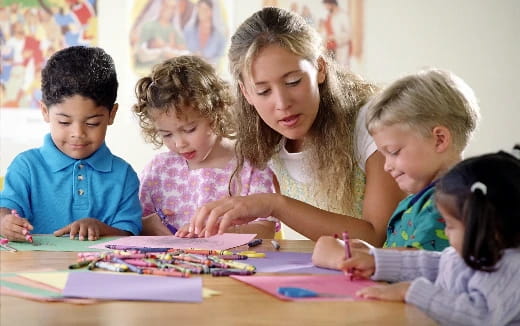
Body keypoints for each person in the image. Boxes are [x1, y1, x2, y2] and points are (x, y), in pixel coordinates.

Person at [186, 7, 404, 243]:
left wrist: (274, 205)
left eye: (293, 81)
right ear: (246, 92)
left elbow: (376, 237)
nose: (282, 103)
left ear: (320, 69)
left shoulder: (371, 124)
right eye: (263, 91)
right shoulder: (263, 142)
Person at [312, 68, 480, 269]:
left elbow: (422, 265)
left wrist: (348, 257)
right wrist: (366, 250)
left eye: (394, 152)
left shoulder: (450, 204)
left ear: (440, 139)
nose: (387, 166)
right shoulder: (418, 200)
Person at [339, 149, 520, 325]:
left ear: (491, 226)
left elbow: (480, 316)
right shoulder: (473, 252)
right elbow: (433, 264)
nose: (446, 232)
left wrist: (410, 291)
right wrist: (377, 262)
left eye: (450, 225)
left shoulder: (511, 269)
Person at [0, 46, 143, 241]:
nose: (78, 134)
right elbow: (6, 209)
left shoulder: (124, 175)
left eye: (92, 123)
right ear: (44, 111)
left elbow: (129, 233)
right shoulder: (26, 167)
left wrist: (101, 228)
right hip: (36, 269)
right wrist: (4, 222)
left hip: (98, 269)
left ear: (112, 114)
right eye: (64, 122)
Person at [132, 55, 278, 238]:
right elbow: (134, 224)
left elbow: (266, 230)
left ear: (216, 113)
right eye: (166, 134)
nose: (179, 143)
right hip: (169, 265)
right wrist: (145, 225)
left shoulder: (251, 165)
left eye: (190, 129)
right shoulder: (158, 170)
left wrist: (217, 232)